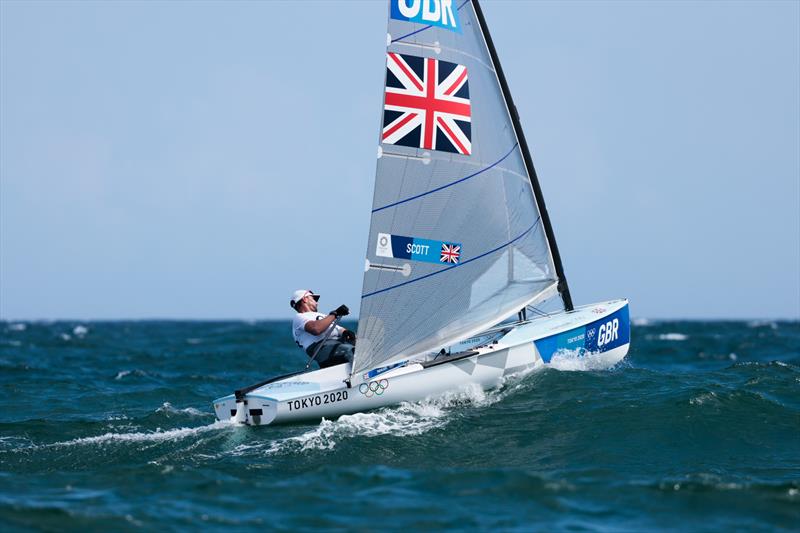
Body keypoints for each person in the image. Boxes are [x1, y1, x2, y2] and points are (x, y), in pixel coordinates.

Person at [290, 289, 355, 368]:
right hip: (321, 349)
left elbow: (339, 329)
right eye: (314, 299)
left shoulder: (323, 317)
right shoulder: (300, 317)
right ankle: (360, 376)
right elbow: (316, 329)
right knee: (350, 350)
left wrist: (346, 332)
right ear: (305, 299)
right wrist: (335, 314)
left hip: (338, 344)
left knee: (365, 345)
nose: (317, 302)